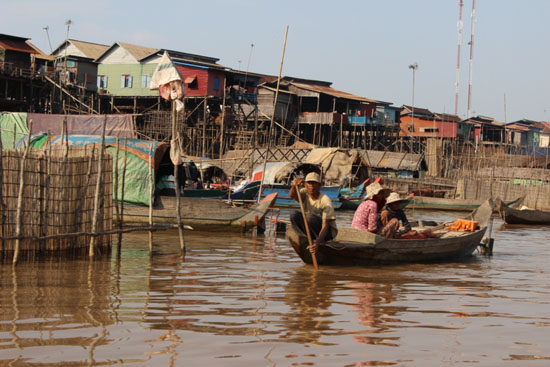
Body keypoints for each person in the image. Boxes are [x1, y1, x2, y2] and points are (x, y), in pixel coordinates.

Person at [289, 172, 338, 254]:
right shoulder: (304, 193)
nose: (312, 185)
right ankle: (304, 239)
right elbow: (292, 195)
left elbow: (325, 225)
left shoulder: (325, 200)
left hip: (327, 233)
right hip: (309, 227)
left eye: (315, 183)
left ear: (319, 185)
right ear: (305, 184)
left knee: (310, 217)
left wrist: (317, 243)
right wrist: (294, 186)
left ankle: (315, 241)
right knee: (293, 214)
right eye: (309, 183)